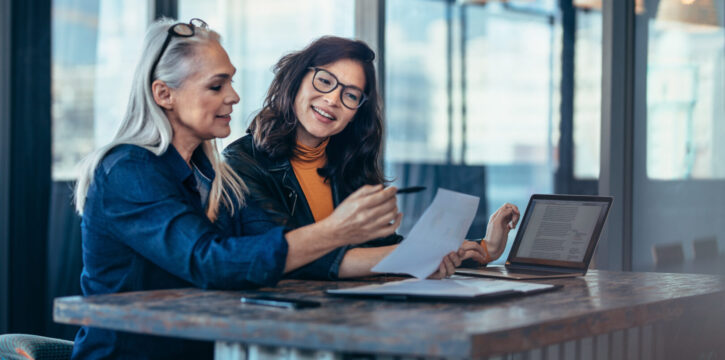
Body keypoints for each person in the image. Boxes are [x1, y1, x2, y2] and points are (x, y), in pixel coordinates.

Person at [71, 19, 463, 360]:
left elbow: (279, 248)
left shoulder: (212, 174)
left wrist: (433, 254)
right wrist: (337, 230)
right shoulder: (128, 170)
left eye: (231, 81)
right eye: (216, 85)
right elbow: (210, 262)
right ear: (164, 94)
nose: (234, 96)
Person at [223, 36, 521, 280]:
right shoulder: (242, 163)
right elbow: (290, 256)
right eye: (324, 81)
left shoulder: (348, 164)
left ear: (356, 113)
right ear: (297, 79)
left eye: (351, 95)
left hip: (350, 317)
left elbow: (381, 248)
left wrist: (485, 248)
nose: (333, 100)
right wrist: (416, 257)